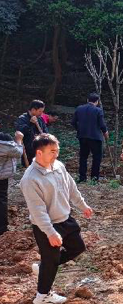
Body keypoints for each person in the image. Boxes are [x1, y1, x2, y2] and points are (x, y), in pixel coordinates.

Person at [20, 134, 93, 304]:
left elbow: (71, 188)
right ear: (39, 153)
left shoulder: (58, 166)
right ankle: (42, 296)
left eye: (57, 151)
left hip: (65, 218)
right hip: (46, 226)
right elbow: (38, 211)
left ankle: (43, 268)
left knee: (78, 247)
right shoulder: (30, 179)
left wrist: (82, 205)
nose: (56, 155)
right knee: (51, 260)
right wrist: (51, 233)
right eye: (52, 151)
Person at [71, 93, 109, 183]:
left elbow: (73, 122)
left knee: (83, 157)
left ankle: (82, 177)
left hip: (82, 136)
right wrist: (105, 132)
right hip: (95, 137)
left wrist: (79, 129)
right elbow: (102, 124)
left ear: (87, 100)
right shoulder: (98, 110)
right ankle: (94, 178)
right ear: (97, 101)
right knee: (96, 157)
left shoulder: (79, 108)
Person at [0, 127, 23, 236]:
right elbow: (18, 152)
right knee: (1, 200)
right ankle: (2, 229)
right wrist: (19, 140)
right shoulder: (4, 142)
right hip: (1, 177)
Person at [15, 100, 49, 165]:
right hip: (27, 150)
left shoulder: (40, 119)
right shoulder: (22, 118)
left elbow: (45, 130)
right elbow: (20, 132)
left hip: (39, 148)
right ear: (33, 109)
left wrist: (45, 135)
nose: (41, 113)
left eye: (42, 111)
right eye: (40, 111)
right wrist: (30, 123)